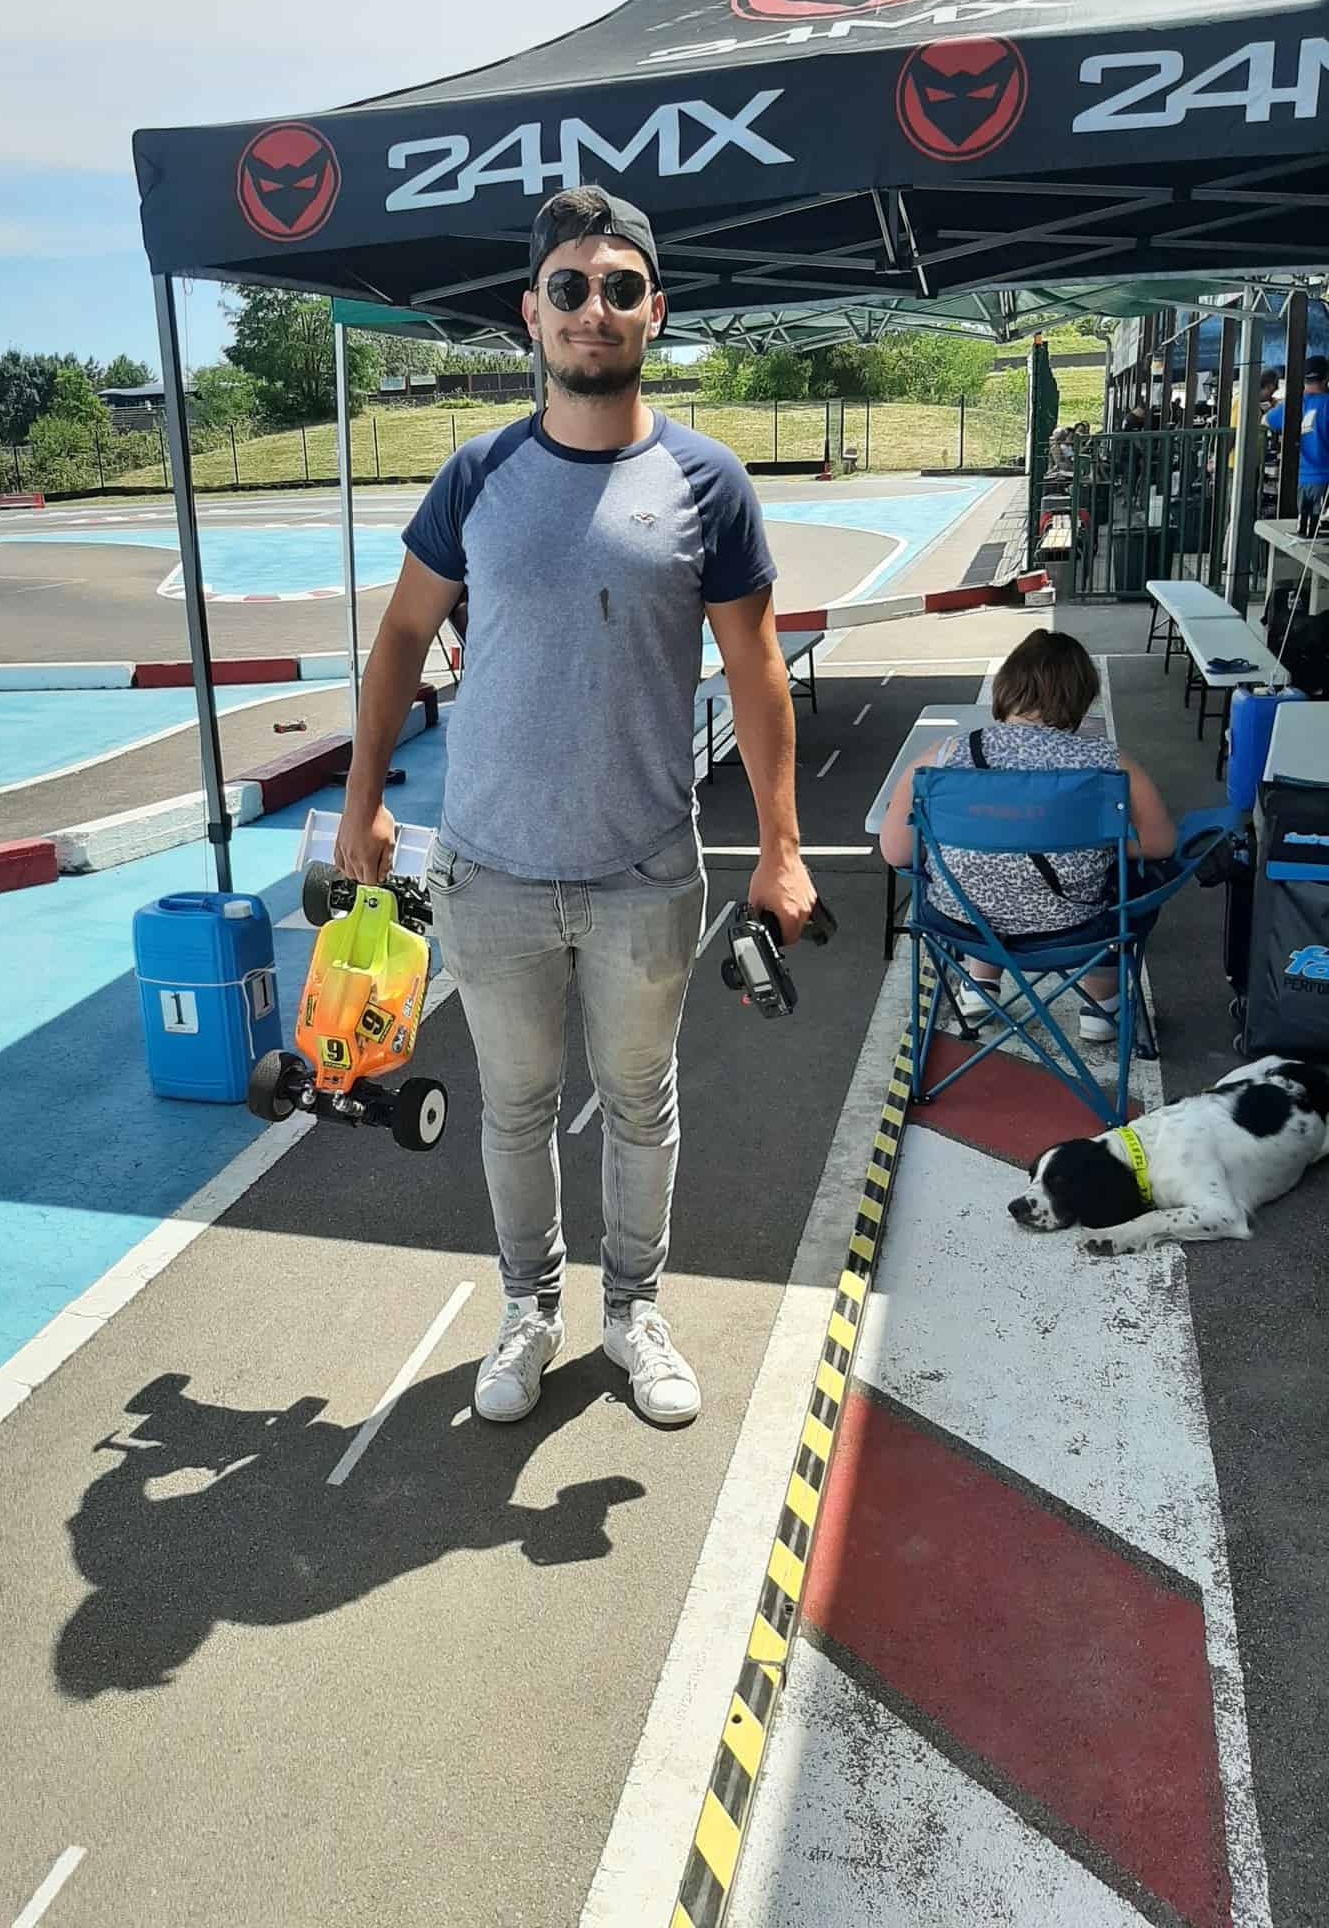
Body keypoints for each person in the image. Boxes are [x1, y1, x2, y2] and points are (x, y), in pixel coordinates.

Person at [333, 185, 817, 1429]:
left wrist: (780, 845)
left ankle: (634, 1310)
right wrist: (362, 803)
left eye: (618, 287)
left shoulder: (708, 482)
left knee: (642, 1102)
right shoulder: (476, 475)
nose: (592, 308)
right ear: (531, 313)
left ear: (656, 309)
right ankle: (529, 1307)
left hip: (645, 872)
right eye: (569, 288)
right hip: (489, 871)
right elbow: (400, 638)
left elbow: (757, 669)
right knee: (517, 1107)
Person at [879, 633, 1175, 1042]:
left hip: (962, 927)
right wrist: (1091, 840)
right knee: (1129, 886)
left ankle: (979, 985)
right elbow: (1160, 844)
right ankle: (1101, 1007)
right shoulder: (1109, 765)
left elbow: (896, 852)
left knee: (983, 875)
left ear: (1006, 687)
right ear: (1081, 696)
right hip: (1076, 930)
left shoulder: (941, 759)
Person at [1265, 354, 1329, 530]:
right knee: (1320, 535)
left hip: (1299, 479)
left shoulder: (1292, 404)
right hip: (1325, 480)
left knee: (1302, 531)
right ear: (1326, 378)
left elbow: (1266, 421)